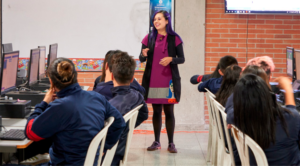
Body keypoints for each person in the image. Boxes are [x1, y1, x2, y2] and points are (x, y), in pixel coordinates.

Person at [24, 58, 126, 165]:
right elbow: (119, 123)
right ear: (75, 76)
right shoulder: (96, 97)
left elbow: (31, 133)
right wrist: (103, 148)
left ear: (51, 81)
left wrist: (44, 103)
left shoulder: (60, 106)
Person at [227, 74, 300, 165]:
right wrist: (288, 89)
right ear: (268, 94)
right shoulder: (290, 117)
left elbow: (231, 113)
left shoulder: (235, 118)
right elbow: (292, 111)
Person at [139, 10, 184, 153]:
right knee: (156, 111)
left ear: (166, 21)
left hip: (169, 81)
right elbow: (142, 58)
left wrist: (172, 59)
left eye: (159, 19)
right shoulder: (148, 38)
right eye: (154, 20)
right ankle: (156, 141)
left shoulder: (174, 38)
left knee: (169, 111)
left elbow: (182, 59)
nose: (156, 22)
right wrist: (143, 54)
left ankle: (171, 143)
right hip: (153, 80)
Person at [108, 51, 148, 165]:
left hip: (108, 156)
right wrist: (127, 128)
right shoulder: (137, 96)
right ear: (132, 79)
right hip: (119, 151)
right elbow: (144, 114)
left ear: (112, 76)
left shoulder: (109, 106)